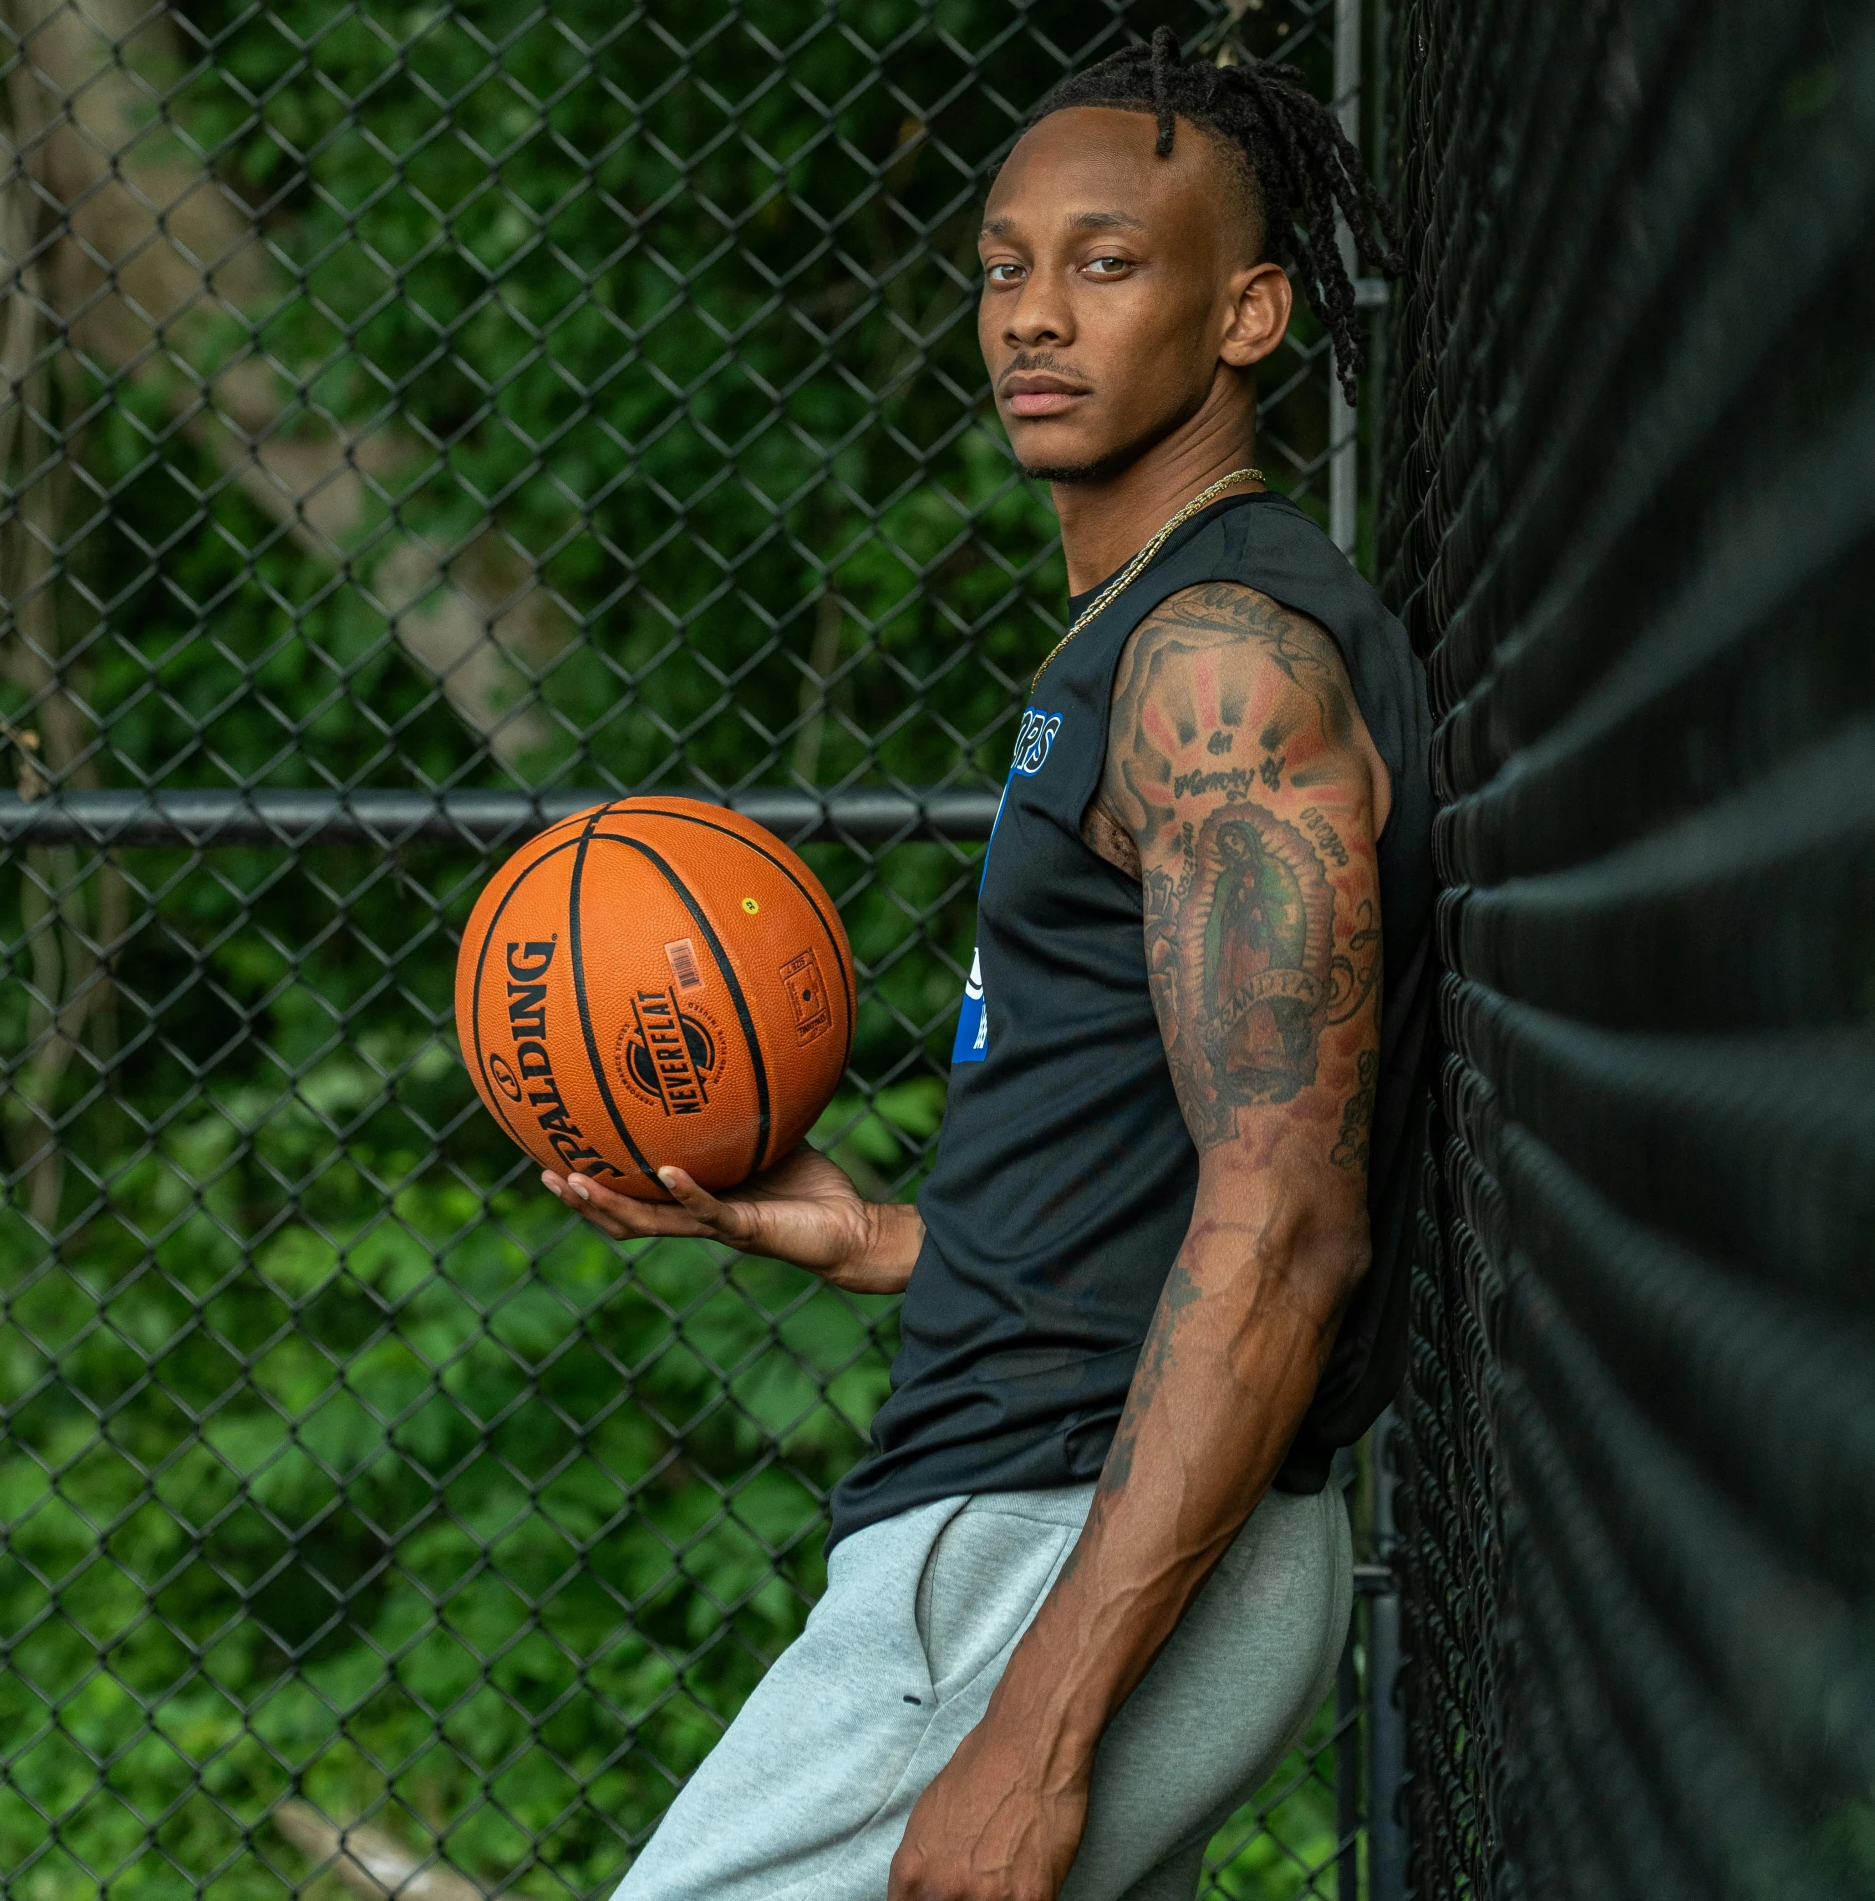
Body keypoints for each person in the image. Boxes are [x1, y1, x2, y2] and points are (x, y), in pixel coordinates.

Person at [545, 30, 1432, 1901]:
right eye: (1002, 267)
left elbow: (1286, 1224)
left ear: (1247, 311)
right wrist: (881, 1243)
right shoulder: (1141, 644)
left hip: (1043, 1550)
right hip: (1055, 1514)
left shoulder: (1218, 668)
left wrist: (1031, 1741)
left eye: (1105, 264)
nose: (1033, 315)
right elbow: (1170, 1185)